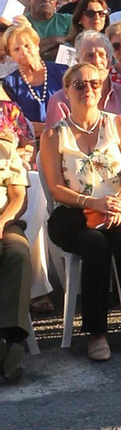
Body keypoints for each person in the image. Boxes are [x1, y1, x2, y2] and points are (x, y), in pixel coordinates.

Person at [41, 59, 121, 360]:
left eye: (94, 83)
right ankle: (96, 334)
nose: (87, 90)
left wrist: (119, 201)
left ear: (102, 86)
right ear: (66, 91)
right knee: (95, 245)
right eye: (79, 85)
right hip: (75, 213)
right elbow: (55, 187)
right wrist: (93, 203)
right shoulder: (54, 135)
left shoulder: (118, 124)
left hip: (119, 204)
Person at [0, 108, 30, 381]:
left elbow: (18, 196)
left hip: (5, 222)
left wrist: (2, 222)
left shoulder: (5, 148)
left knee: (18, 252)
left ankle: (11, 338)